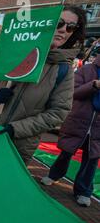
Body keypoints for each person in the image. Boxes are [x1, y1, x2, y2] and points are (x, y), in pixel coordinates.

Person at [0, 6, 87, 165]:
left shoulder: (64, 70)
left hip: (19, 145)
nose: (63, 30)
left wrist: (17, 129)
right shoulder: (12, 54)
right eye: (59, 23)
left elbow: (58, 112)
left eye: (70, 27)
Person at [40, 52, 100, 207]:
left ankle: (83, 191)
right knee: (67, 151)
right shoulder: (87, 70)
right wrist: (93, 85)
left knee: (92, 159)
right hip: (79, 120)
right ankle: (54, 175)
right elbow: (73, 92)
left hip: (98, 127)